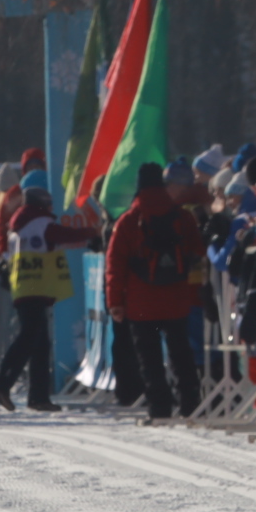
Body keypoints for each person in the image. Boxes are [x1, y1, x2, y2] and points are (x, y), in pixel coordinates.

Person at [105, 162, 207, 420]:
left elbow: (114, 265)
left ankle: (160, 409)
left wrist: (115, 301)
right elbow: (197, 254)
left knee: (149, 360)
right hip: (176, 299)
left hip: (141, 303)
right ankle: (190, 404)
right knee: (181, 353)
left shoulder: (128, 222)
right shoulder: (183, 218)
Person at [0, 171, 93, 412]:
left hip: (24, 286)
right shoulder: (39, 221)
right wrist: (90, 233)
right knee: (29, 338)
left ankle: (38, 396)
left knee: (39, 342)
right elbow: (61, 235)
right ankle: (1, 384)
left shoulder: (19, 222)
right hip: (35, 287)